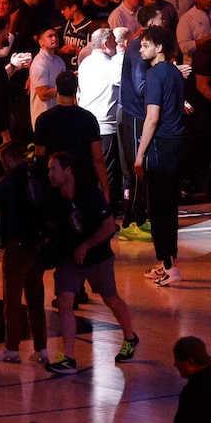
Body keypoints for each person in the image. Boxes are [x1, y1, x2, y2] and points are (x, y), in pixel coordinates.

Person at [45, 145, 137, 368]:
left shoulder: (89, 194)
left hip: (98, 257)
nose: (50, 174)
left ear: (68, 171)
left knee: (110, 298)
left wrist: (86, 245)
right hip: (69, 258)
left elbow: (109, 226)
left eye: (53, 169)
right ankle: (68, 357)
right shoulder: (53, 198)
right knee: (65, 301)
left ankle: (130, 337)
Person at [131, 28, 189, 285]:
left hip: (160, 145)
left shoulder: (154, 74)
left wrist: (139, 153)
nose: (141, 50)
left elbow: (152, 117)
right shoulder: (175, 73)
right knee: (170, 206)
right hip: (177, 143)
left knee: (158, 208)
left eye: (145, 45)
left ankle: (169, 265)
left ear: (160, 48)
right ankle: (167, 260)